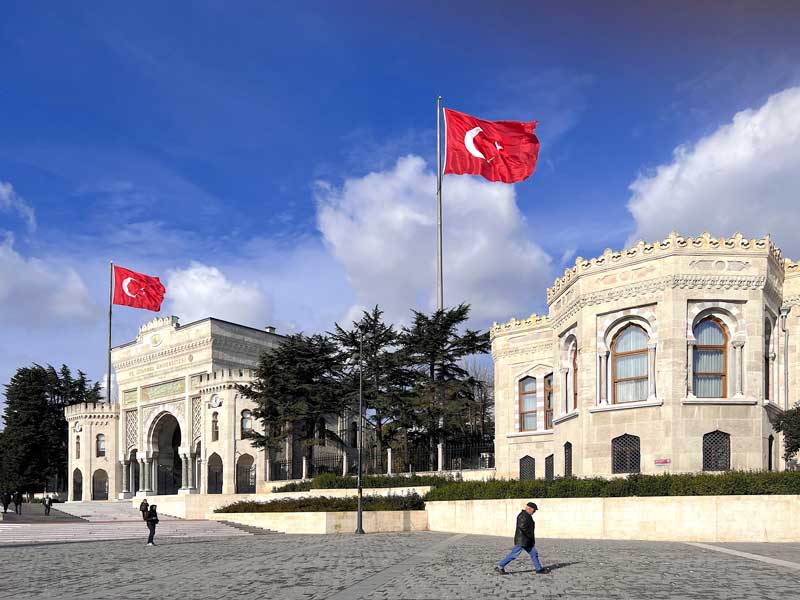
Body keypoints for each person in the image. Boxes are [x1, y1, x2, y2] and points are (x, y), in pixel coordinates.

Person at [495, 502, 548, 575]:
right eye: (534, 510)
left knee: (534, 553)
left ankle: (538, 569)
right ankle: (500, 566)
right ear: (529, 508)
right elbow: (523, 527)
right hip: (522, 540)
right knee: (514, 554)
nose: (534, 511)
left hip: (526, 540)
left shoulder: (527, 515)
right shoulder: (523, 516)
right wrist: (529, 537)